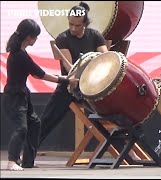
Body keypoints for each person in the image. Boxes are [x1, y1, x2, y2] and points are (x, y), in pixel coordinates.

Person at [32, 2, 140, 161]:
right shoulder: (63, 38)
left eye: (77, 25)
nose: (73, 28)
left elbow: (106, 59)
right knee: (47, 119)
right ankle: (29, 153)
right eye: (71, 24)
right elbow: (69, 68)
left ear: (85, 24)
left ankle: (128, 151)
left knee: (116, 113)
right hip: (70, 87)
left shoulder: (95, 36)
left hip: (91, 88)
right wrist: (75, 77)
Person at [2, 18, 79, 171]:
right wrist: (64, 80)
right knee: (21, 129)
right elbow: (40, 74)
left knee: (35, 124)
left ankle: (27, 161)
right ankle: (12, 161)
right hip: (14, 97)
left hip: (23, 95)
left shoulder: (21, 53)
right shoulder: (19, 55)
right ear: (28, 36)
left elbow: (38, 73)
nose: (36, 39)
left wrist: (63, 79)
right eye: (35, 36)